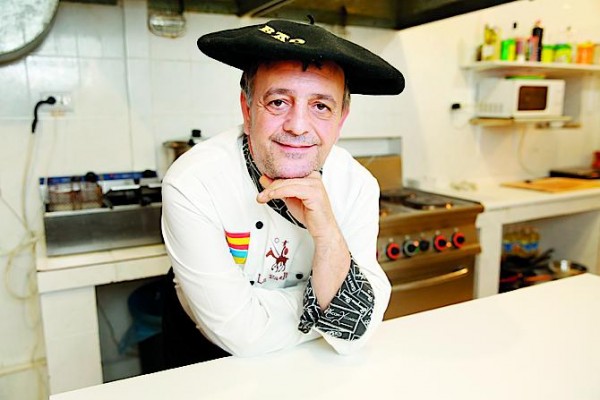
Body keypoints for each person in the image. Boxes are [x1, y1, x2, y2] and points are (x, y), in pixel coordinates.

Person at [161, 18, 405, 362]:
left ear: (341, 119)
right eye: (278, 102)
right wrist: (331, 307)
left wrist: (328, 234)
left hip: (315, 360)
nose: (298, 126)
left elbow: (356, 332)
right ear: (247, 110)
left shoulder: (357, 185)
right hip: (203, 354)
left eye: (321, 106)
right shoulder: (194, 182)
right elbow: (240, 336)